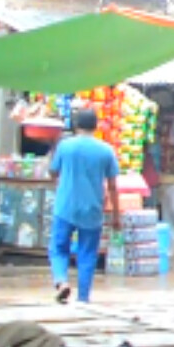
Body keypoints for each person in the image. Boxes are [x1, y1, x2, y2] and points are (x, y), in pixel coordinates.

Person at [48, 107, 120, 306]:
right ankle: (83, 298)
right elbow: (113, 186)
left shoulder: (65, 146)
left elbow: (53, 172)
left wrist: (60, 181)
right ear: (96, 127)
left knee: (58, 248)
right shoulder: (106, 150)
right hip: (92, 209)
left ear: (77, 125)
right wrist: (116, 216)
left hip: (65, 207)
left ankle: (61, 281)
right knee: (87, 254)